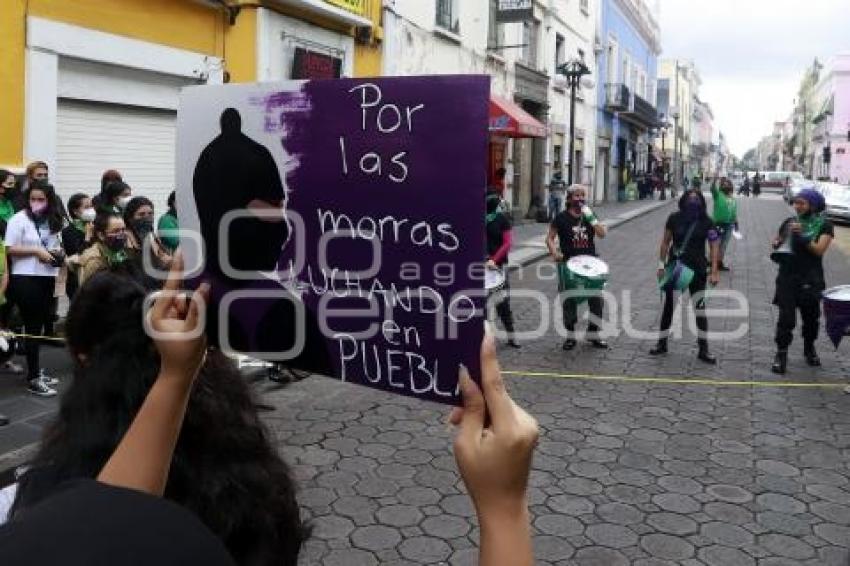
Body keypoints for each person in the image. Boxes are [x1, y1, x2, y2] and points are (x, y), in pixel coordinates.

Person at [8, 261, 540, 566]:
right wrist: (504, 511)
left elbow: (112, 517)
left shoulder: (48, 500)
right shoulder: (237, 473)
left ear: (83, 354)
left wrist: (175, 377)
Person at [4, 180, 65, 396]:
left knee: (37, 327)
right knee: (32, 329)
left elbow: (54, 244)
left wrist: (56, 254)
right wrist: (35, 252)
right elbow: (9, 249)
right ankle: (33, 378)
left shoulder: (51, 220)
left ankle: (35, 370)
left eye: (41, 199)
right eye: (33, 199)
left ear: (50, 201)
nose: (36, 203)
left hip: (46, 276)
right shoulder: (18, 219)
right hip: (25, 278)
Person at [649, 188, 721, 364]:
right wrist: (660, 264)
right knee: (669, 306)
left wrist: (714, 271)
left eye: (697, 199)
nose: (693, 201)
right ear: (683, 200)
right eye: (690, 198)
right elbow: (665, 242)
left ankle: (704, 349)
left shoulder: (707, 221)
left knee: (699, 309)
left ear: (702, 202)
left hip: (697, 269)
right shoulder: (674, 218)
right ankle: (662, 343)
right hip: (677, 268)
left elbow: (714, 246)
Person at [770, 188, 834, 374]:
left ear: (813, 205)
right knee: (786, 319)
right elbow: (778, 239)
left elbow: (820, 250)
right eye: (796, 202)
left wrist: (803, 236)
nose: (797, 206)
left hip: (811, 279)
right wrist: (777, 244)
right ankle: (781, 354)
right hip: (787, 277)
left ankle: (809, 348)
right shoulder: (789, 222)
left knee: (811, 319)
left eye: (802, 203)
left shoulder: (825, 225)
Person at [546, 184, 609, 350]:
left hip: (590, 264)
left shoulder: (590, 215)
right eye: (577, 196)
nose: (580, 199)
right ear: (569, 199)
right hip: (569, 263)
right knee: (569, 300)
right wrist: (554, 253)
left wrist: (592, 219)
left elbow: (602, 234)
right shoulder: (560, 218)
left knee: (596, 299)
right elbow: (550, 238)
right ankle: (570, 336)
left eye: (582, 195)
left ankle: (593, 334)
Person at [486, 192, 519, 348]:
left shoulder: (502, 219)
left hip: (497, 265)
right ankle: (483, 338)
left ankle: (511, 336)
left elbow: (507, 243)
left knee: (503, 302)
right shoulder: (474, 218)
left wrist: (494, 259)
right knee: (481, 304)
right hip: (479, 266)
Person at [123, 196, 173, 281]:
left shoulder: (153, 237)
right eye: (141, 214)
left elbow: (165, 260)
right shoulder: (125, 238)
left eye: (150, 213)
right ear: (130, 218)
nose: (147, 217)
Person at [77, 212, 129, 286]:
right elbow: (93, 292)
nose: (121, 234)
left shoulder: (118, 251)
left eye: (123, 230)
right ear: (101, 235)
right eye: (115, 231)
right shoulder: (94, 260)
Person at [60, 193, 96, 299]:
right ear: (75, 211)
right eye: (86, 207)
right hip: (77, 280)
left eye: (91, 206)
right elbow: (77, 255)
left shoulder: (97, 227)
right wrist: (87, 237)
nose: (91, 210)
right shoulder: (69, 231)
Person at [710, 176, 738, 271]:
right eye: (724, 185)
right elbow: (712, 188)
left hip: (729, 225)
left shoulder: (732, 199)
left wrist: (736, 222)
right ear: (721, 186)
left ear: (731, 187)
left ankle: (719, 263)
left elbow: (733, 212)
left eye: (728, 184)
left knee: (724, 245)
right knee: (716, 244)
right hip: (718, 224)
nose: (726, 186)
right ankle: (713, 264)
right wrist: (714, 180)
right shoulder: (718, 195)